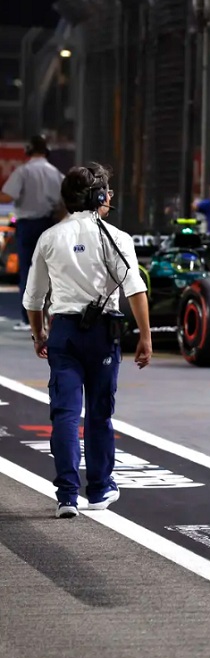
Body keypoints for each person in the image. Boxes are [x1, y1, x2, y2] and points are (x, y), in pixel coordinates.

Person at [21, 163, 152, 518]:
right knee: (99, 413)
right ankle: (99, 489)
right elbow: (135, 288)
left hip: (63, 332)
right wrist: (145, 335)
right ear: (96, 196)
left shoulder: (49, 237)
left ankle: (66, 495)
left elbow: (33, 300)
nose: (110, 197)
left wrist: (39, 335)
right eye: (106, 191)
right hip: (102, 334)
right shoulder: (117, 238)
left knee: (64, 413)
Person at [1, 135, 65, 331]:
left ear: (28, 151)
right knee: (52, 272)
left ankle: (28, 319)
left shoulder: (23, 172)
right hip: (50, 224)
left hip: (28, 226)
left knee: (28, 273)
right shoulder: (57, 174)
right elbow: (65, 203)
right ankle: (51, 317)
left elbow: (7, 196)